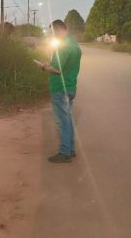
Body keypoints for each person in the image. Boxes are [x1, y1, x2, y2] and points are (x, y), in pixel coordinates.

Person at [36, 19, 82, 163]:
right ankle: (70, 149)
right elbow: (63, 66)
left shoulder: (62, 47)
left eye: (53, 32)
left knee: (62, 121)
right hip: (70, 87)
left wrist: (43, 67)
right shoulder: (74, 45)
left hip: (60, 89)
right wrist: (50, 64)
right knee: (67, 119)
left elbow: (57, 69)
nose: (52, 36)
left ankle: (64, 152)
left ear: (58, 30)